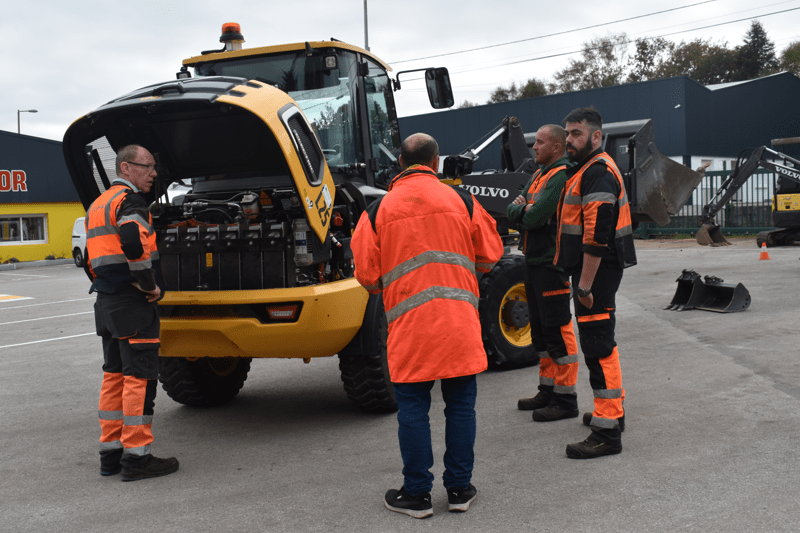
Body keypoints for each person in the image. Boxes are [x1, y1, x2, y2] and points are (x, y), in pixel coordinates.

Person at [351, 133, 503, 518]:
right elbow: (490, 255)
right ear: (435, 162)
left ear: (400, 163)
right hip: (459, 324)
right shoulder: (463, 200)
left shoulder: (377, 210)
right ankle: (459, 489)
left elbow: (367, 276)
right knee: (461, 406)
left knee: (414, 409)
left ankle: (417, 494)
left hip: (410, 327)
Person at [84, 144, 179, 481]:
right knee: (139, 378)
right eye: (147, 166)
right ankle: (138, 458)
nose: (154, 173)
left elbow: (84, 251)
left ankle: (110, 454)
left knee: (114, 376)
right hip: (131, 302)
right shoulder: (131, 202)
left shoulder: (99, 204)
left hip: (107, 303)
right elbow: (131, 241)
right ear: (126, 168)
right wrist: (148, 284)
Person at [554, 107, 637, 459]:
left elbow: (596, 236)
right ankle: (611, 413)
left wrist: (584, 286)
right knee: (602, 342)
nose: (569, 139)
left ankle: (607, 430)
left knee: (599, 345)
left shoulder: (598, 173)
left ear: (596, 136)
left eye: (576, 133)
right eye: (568, 133)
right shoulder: (587, 170)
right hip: (596, 272)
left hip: (597, 273)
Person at [507, 125, 580, 422]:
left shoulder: (561, 175)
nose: (534, 147)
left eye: (540, 142)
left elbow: (535, 217)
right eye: (534, 142)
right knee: (540, 331)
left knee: (557, 330)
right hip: (534, 262)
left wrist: (524, 211)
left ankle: (566, 398)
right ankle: (547, 390)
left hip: (552, 264)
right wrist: (521, 211)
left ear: (557, 147)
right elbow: (512, 211)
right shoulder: (539, 175)